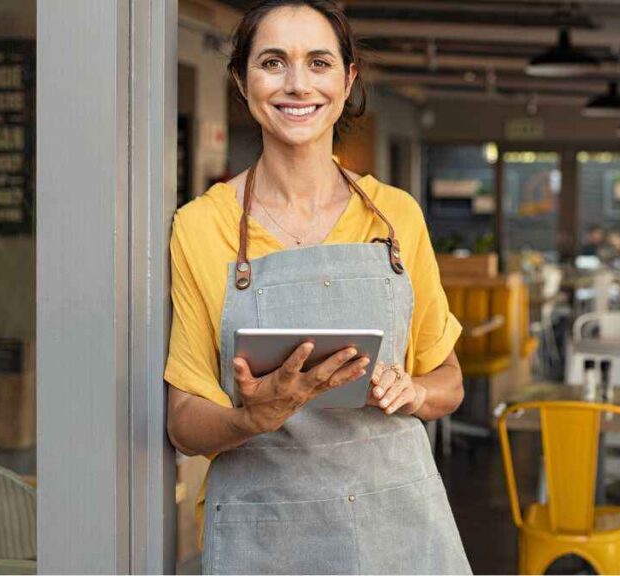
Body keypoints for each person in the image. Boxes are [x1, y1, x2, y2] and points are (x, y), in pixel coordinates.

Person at [163, 2, 469, 573]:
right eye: (273, 62)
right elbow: (183, 419)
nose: (297, 84)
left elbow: (448, 379)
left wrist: (415, 393)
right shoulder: (201, 227)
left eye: (319, 62)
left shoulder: (396, 216)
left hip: (396, 525)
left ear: (347, 79)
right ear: (241, 79)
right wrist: (250, 418)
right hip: (267, 533)